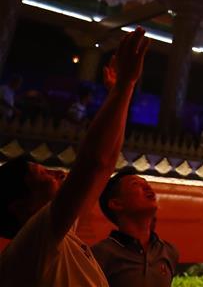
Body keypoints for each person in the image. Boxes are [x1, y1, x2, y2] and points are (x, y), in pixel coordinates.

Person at [0, 28, 149, 287]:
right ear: (21, 207)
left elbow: (103, 167)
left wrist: (120, 92)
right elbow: (94, 164)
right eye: (44, 175)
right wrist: (125, 86)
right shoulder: (30, 247)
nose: (59, 173)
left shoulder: (62, 238)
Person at [92, 167, 179, 287]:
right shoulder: (99, 255)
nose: (148, 187)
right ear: (116, 204)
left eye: (147, 183)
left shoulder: (169, 251)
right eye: (135, 184)